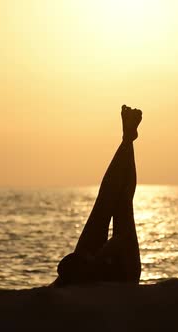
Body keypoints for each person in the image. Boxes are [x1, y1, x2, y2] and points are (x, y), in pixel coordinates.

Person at [51, 105, 143, 287]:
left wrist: (94, 258)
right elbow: (121, 241)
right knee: (123, 204)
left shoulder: (67, 282)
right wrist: (102, 256)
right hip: (118, 276)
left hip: (85, 269)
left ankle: (127, 140)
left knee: (104, 204)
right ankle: (128, 140)